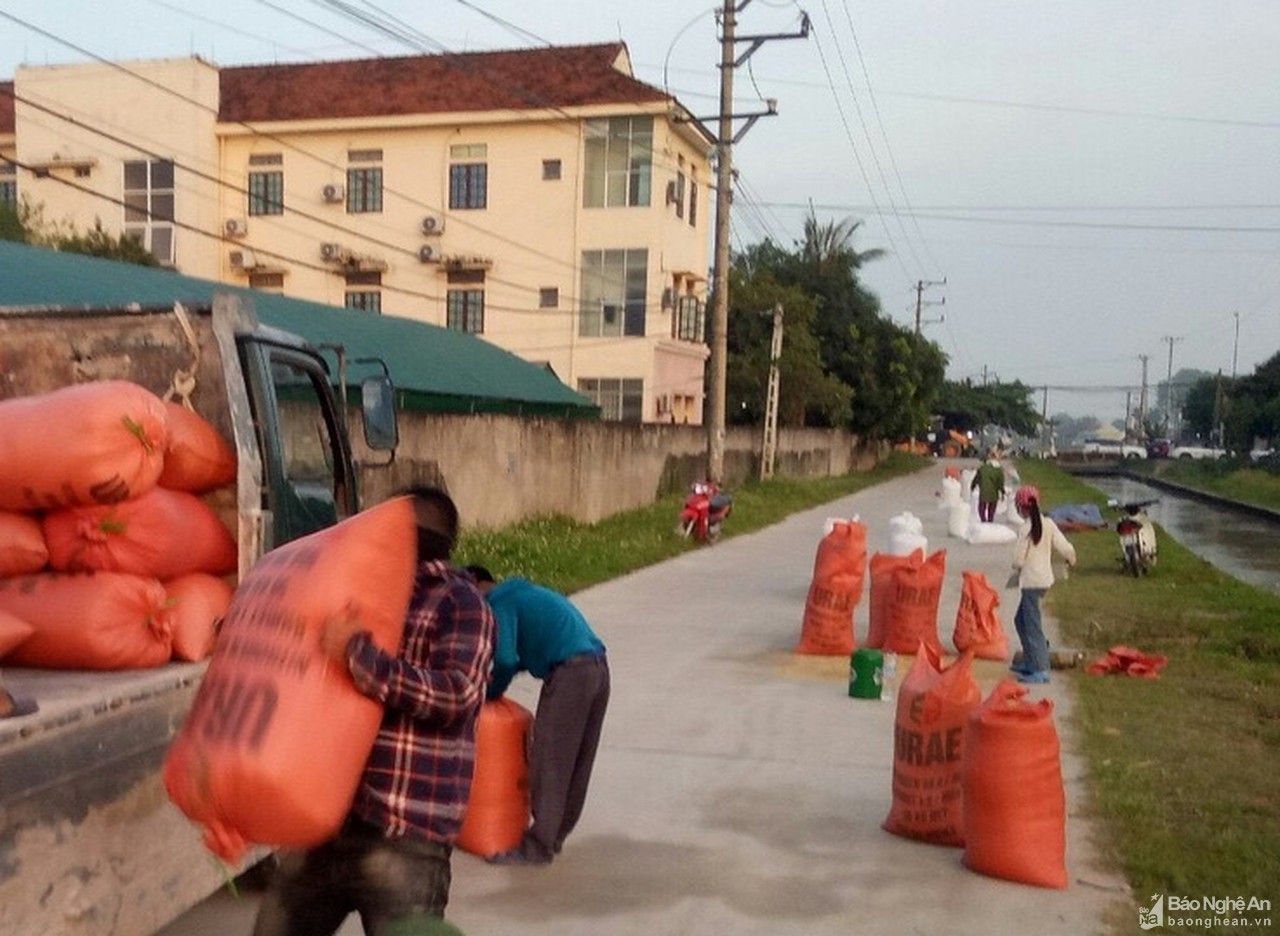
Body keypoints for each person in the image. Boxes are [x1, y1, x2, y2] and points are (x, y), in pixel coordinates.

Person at [253, 487, 495, 935]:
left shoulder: (459, 604)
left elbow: (456, 695)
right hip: (326, 823)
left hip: (405, 834)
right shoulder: (353, 596)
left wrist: (357, 655)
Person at [466, 567, 609, 866]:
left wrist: (491, 692)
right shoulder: (525, 594)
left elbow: (505, 659)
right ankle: (553, 837)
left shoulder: (500, 603)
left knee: (550, 762)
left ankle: (537, 848)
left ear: (479, 587)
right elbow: (525, 653)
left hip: (570, 674)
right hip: (597, 669)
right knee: (577, 763)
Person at [1010, 485, 1076, 685]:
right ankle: (1031, 661)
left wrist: (1016, 567)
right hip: (1044, 580)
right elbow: (1065, 546)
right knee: (1020, 620)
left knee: (1032, 626)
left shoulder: (1025, 528)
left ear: (1021, 508)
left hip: (1031, 582)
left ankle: (1040, 669)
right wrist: (1071, 558)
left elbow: (1018, 560)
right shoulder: (1048, 524)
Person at [971, 449, 1006, 523]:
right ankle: (990, 520)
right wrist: (1002, 492)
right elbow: (1000, 483)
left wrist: (972, 486)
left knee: (982, 507)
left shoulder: (982, 468)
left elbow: (976, 479)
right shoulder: (999, 470)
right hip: (993, 492)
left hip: (983, 491)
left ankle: (983, 520)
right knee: (992, 507)